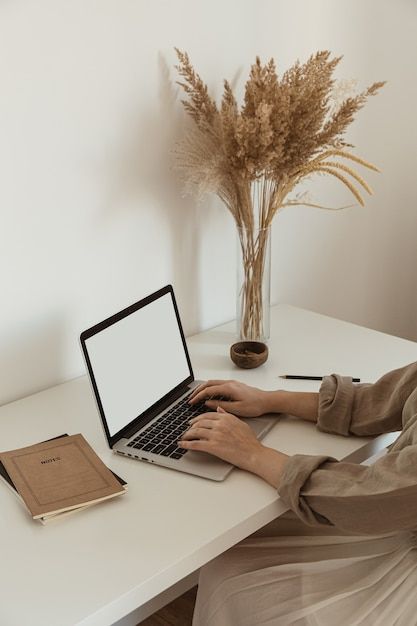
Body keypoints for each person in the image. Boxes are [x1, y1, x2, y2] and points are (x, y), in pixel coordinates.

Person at [177, 362, 417, 625]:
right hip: (395, 515)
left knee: (231, 575)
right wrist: (268, 399)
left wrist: (252, 452)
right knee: (229, 554)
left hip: (395, 533)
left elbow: (375, 497)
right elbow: (379, 400)